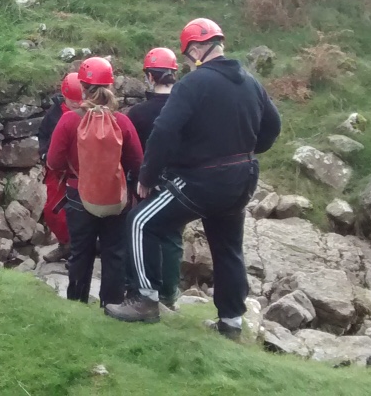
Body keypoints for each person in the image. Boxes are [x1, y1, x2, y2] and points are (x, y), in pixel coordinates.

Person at [105, 19, 282, 339]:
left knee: (139, 221)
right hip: (243, 176)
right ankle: (231, 322)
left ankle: (144, 300)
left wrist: (148, 175)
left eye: (188, 55)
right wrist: (245, 151)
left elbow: (164, 131)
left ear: (199, 49)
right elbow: (273, 127)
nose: (187, 62)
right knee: (228, 246)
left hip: (203, 178)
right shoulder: (251, 82)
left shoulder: (194, 83)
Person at [45, 57, 144, 307]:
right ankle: (111, 306)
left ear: (82, 86)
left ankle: (76, 304)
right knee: (114, 253)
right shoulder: (121, 121)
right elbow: (137, 162)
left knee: (81, 253)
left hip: (79, 196)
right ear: (110, 87)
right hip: (115, 198)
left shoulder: (68, 121)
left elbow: (54, 161)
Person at [125, 47, 183, 309]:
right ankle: (169, 294)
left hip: (144, 182)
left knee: (142, 230)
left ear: (149, 76)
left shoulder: (138, 113)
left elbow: (130, 152)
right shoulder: (185, 108)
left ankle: (144, 290)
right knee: (171, 236)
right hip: (181, 183)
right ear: (174, 73)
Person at [38, 72, 83, 248]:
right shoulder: (54, 113)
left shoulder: (89, 113)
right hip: (57, 171)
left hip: (79, 173)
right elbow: (43, 134)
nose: (76, 105)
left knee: (80, 212)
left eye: (79, 101)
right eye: (73, 101)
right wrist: (44, 154)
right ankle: (66, 243)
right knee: (53, 211)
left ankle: (76, 246)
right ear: (64, 96)